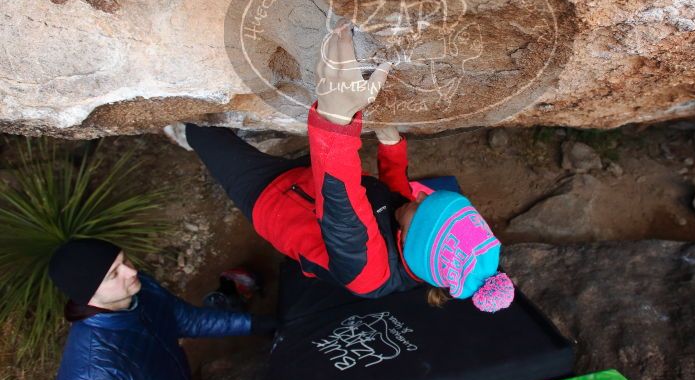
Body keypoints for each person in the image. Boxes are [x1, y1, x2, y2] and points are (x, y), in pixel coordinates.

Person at [186, 20, 514, 313]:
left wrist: (335, 120)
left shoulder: (370, 275)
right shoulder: (410, 229)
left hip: (269, 201)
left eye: (422, 207)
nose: (419, 196)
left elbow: (342, 206)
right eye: (429, 197)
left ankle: (187, 132)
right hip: (313, 172)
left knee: (201, 132)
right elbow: (397, 189)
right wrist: (392, 146)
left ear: (415, 241)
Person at [48, 238, 275, 380]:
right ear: (89, 296)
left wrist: (253, 323)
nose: (131, 271)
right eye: (114, 274)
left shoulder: (139, 291)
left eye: (124, 259)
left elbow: (187, 320)